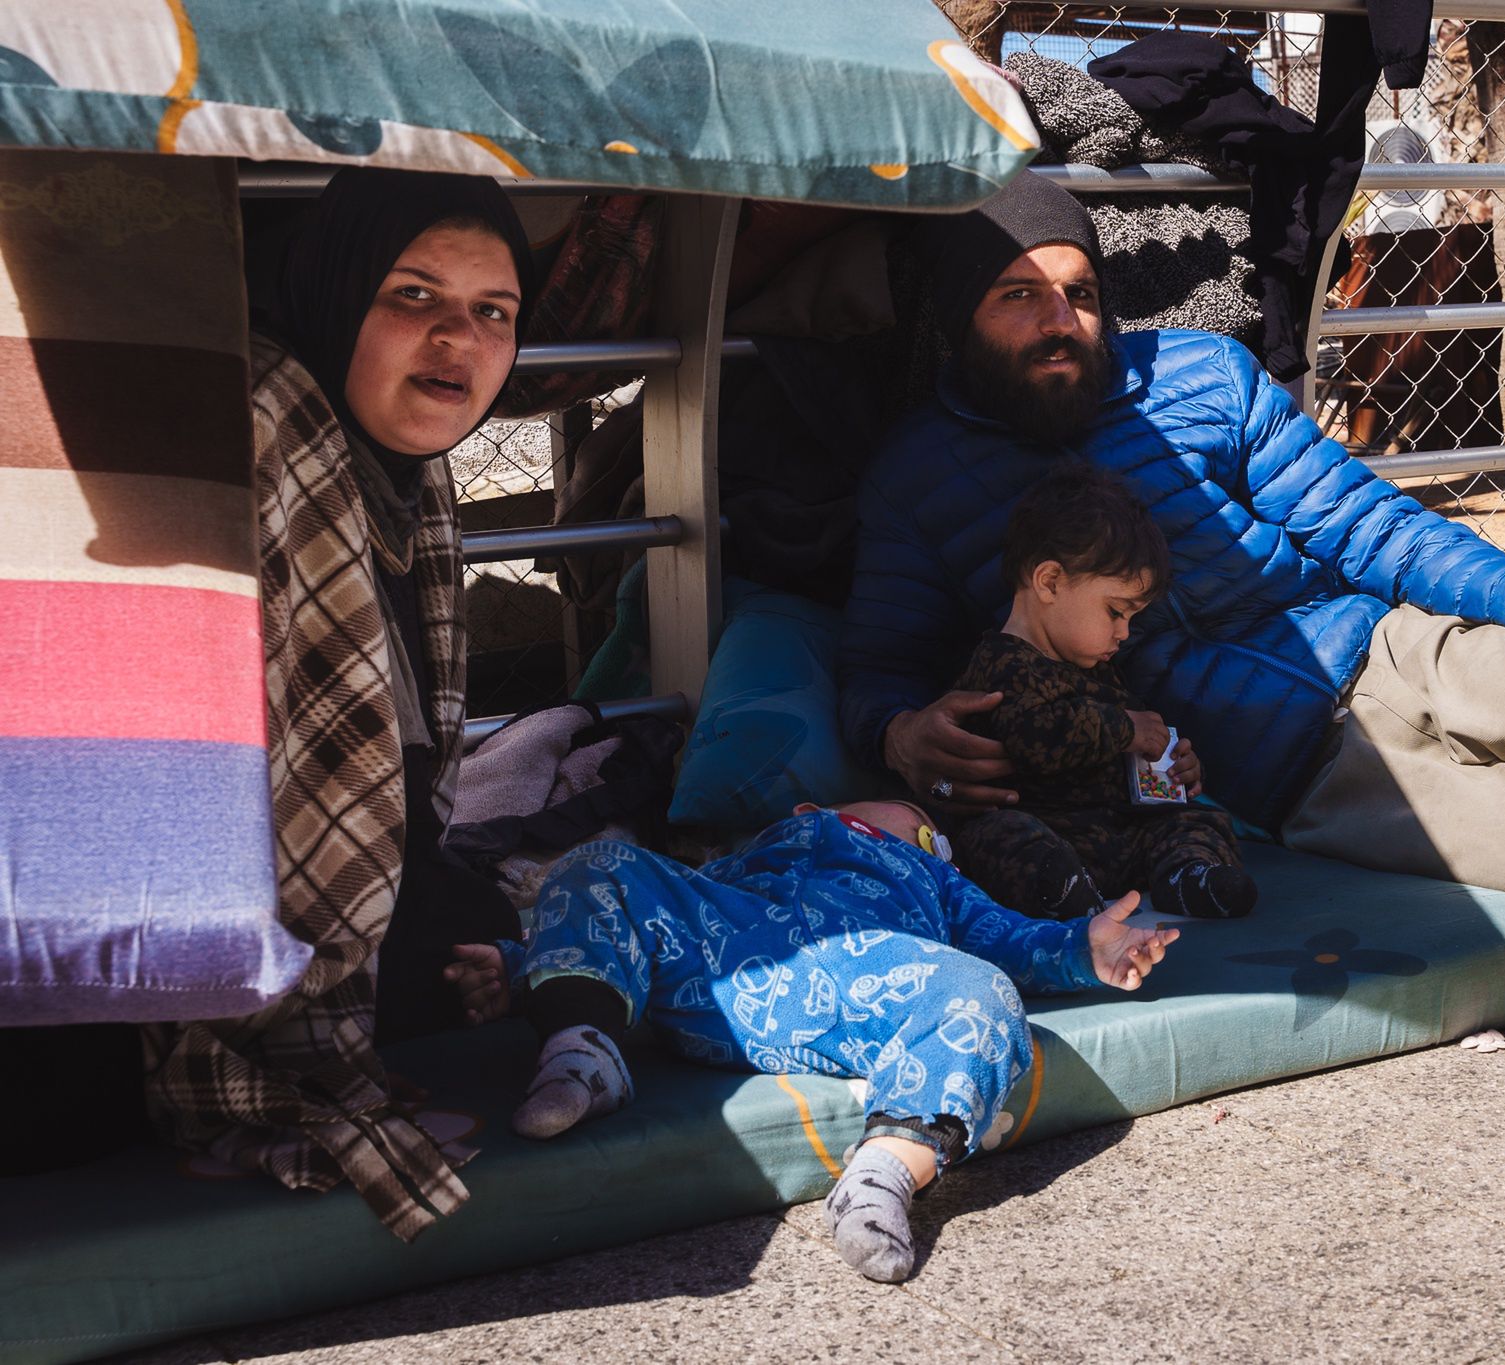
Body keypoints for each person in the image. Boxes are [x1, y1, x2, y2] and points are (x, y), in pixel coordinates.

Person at [838, 171, 1505, 902]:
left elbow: (1364, 523)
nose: (1060, 319)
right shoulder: (917, 475)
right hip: (1289, 774)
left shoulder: (1198, 377)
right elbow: (879, 660)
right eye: (1019, 296)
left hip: (1380, 646)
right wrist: (896, 732)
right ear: (958, 317)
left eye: (1080, 292)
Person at [141, 168, 536, 1241]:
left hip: (329, 898)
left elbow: (393, 792)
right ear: (333, 288)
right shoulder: (258, 428)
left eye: (492, 312)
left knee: (504, 940)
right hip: (179, 927)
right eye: (414, 296)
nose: (458, 339)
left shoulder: (408, 483)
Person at [444, 800, 1178, 1282]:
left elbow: (1015, 942)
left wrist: (1087, 945)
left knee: (982, 989)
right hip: (723, 964)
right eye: (924, 828)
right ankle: (583, 1047)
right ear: (819, 808)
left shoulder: (934, 882)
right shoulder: (765, 848)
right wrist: (521, 966)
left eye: (936, 842)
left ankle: (885, 1171)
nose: (932, 842)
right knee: (599, 865)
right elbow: (651, 907)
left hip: (868, 981)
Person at [947, 463, 1257, 920]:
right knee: (995, 836)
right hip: (1044, 831)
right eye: (1115, 612)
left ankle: (1189, 876)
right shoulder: (1003, 663)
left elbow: (1131, 747)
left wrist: (1172, 764)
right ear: (1049, 582)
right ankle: (1062, 893)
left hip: (1115, 834)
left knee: (1200, 818)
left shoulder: (1095, 668)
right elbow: (1037, 737)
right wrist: (1127, 729)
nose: (1124, 633)